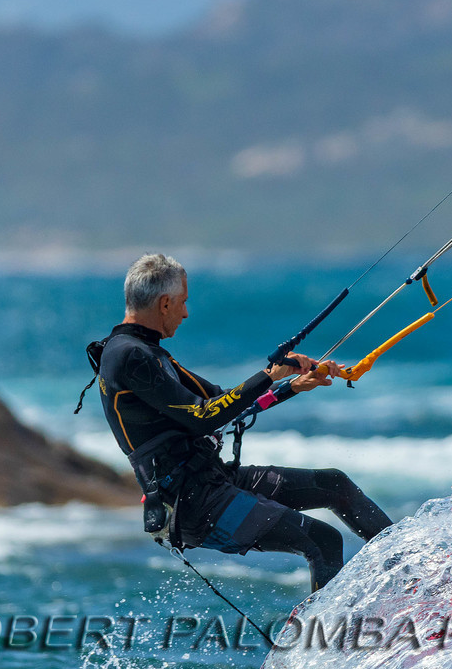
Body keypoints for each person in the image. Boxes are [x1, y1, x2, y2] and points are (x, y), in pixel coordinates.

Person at [88, 253, 392, 591]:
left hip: (212, 481)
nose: (185, 313)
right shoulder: (130, 356)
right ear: (164, 303)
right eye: (183, 303)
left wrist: (291, 383)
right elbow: (205, 417)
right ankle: (320, 640)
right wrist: (268, 375)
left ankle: (406, 570)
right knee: (322, 540)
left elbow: (222, 400)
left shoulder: (146, 352)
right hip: (193, 503)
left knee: (335, 485)